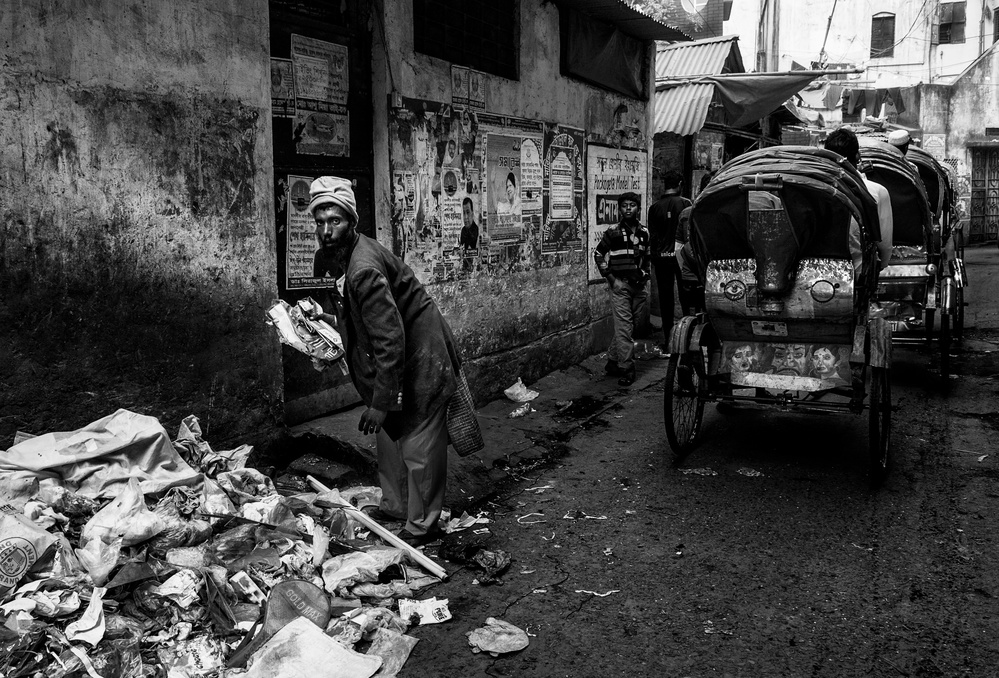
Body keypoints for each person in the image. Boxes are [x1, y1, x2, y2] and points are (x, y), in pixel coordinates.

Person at [306, 176, 462, 546]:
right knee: (390, 439)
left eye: (335, 221)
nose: (326, 231)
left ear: (351, 222)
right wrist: (325, 326)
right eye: (320, 222)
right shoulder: (347, 257)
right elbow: (367, 318)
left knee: (417, 442)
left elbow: (391, 339)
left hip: (421, 358)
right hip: (398, 357)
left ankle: (422, 525)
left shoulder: (363, 269)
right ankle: (395, 505)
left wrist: (380, 402)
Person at [594, 192, 650, 386]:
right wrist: (610, 278)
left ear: (638, 209)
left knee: (628, 327)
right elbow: (598, 254)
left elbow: (648, 258)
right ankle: (627, 368)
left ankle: (612, 360)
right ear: (619, 209)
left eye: (632, 205)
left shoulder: (644, 233)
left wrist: (646, 276)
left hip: (639, 287)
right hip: (620, 286)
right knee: (625, 328)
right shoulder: (613, 231)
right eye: (624, 205)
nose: (628, 208)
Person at [824, 128, 894, 271]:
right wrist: (882, 265)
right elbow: (884, 245)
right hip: (858, 272)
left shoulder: (811, 187)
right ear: (857, 156)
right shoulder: (877, 191)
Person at [647, 171, 691, 337]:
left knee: (666, 298)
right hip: (682, 258)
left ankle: (668, 337)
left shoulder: (654, 208)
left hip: (661, 258)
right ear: (680, 184)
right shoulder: (686, 203)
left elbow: (654, 236)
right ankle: (687, 335)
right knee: (686, 295)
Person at [458, 197, 479, 272]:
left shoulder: (476, 230)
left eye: (468, 212)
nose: (466, 217)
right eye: (464, 213)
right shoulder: (463, 231)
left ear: (472, 213)